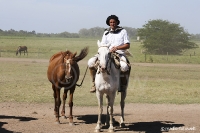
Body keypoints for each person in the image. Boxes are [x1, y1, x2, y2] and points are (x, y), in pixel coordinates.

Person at [88, 15, 131, 93]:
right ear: (108, 23)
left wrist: (117, 48)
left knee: (124, 66)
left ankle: (122, 85)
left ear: (117, 22)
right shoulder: (106, 32)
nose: (112, 23)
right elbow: (103, 44)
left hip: (119, 53)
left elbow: (127, 45)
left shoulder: (123, 31)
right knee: (90, 62)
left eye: (114, 22)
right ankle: (94, 83)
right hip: (106, 53)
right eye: (110, 22)